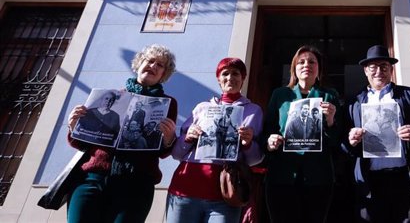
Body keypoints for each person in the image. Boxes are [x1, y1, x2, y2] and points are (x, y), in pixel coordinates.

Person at [66, 44, 178, 223]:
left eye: (160, 65)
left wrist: (170, 138)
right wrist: (73, 126)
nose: (153, 66)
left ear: (164, 74)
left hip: (136, 185)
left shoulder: (168, 103)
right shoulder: (111, 97)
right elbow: (81, 143)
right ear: (139, 64)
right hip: (93, 179)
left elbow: (164, 152)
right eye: (150, 61)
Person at [167, 57, 263, 223]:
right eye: (225, 73)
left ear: (243, 78)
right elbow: (176, 154)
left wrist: (248, 144)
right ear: (219, 79)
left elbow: (255, 159)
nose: (230, 77)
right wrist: (188, 138)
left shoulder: (253, 111)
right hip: (186, 188)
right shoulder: (202, 108)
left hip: (225, 194)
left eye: (236, 73)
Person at [346, 45, 410, 223]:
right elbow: (343, 143)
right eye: (373, 67)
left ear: (391, 70)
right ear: (365, 71)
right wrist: (351, 139)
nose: (379, 71)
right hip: (370, 182)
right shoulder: (354, 102)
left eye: (384, 66)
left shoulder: (409, 95)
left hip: (405, 179)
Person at [263, 45, 339, 223]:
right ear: (294, 68)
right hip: (282, 176)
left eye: (312, 62)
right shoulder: (280, 95)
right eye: (301, 62)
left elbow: (337, 140)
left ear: (319, 68)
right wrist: (270, 141)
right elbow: (267, 129)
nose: (307, 65)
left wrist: (330, 121)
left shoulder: (329, 96)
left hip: (318, 178)